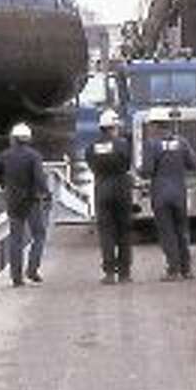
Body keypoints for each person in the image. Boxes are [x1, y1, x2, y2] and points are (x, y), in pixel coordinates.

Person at [141, 109, 196, 280]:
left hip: (161, 195)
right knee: (182, 231)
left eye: (150, 125)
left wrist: (139, 171)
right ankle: (186, 269)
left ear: (155, 125)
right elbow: (193, 164)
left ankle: (173, 270)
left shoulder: (151, 144)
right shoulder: (182, 142)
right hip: (179, 193)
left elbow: (147, 171)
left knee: (167, 233)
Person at [0, 121, 49, 287]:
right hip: (32, 201)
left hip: (13, 201)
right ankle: (32, 269)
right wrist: (46, 194)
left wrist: (5, 185)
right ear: (28, 139)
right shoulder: (34, 156)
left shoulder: (4, 155)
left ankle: (16, 277)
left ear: (13, 139)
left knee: (16, 238)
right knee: (39, 235)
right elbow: (39, 178)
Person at [84, 108, 133, 285]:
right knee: (124, 233)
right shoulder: (122, 144)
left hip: (102, 189)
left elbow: (91, 165)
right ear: (114, 127)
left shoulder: (91, 147)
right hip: (121, 189)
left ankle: (109, 273)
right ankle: (125, 273)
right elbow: (127, 164)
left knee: (106, 233)